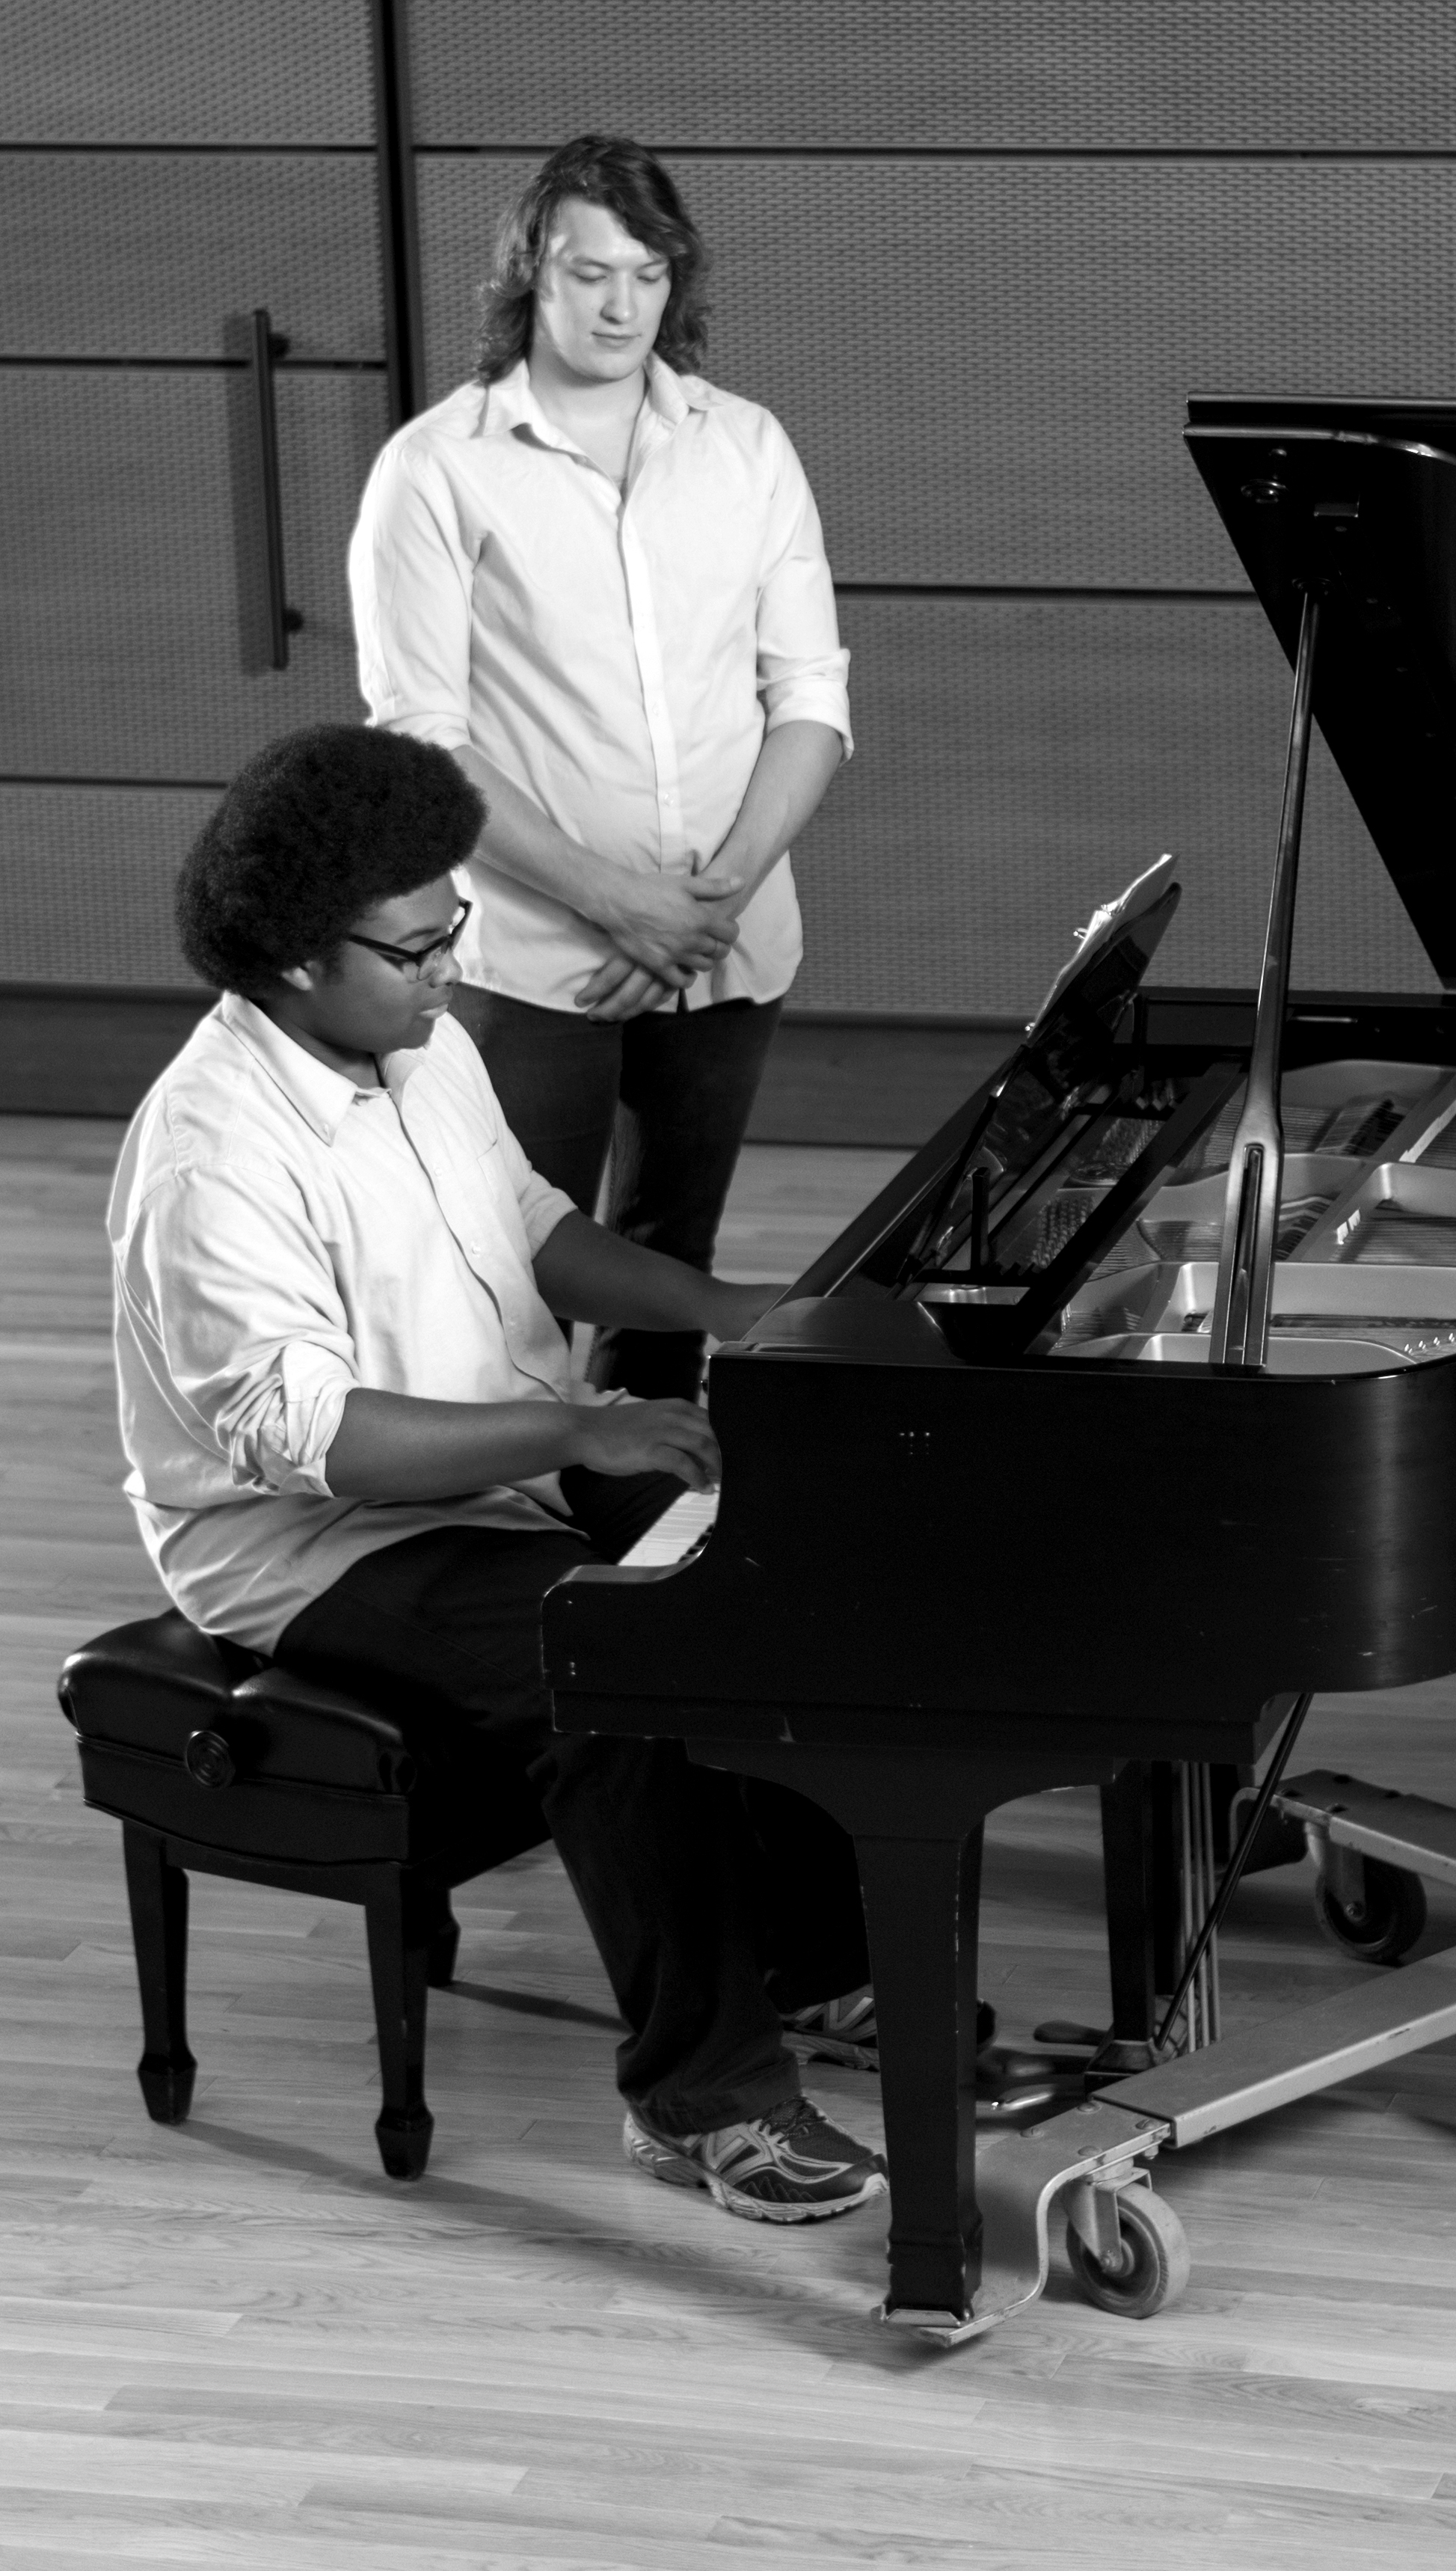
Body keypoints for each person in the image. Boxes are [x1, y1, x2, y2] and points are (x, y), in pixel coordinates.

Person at [108, 723, 884, 2219]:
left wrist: (723, 1306)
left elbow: (530, 1223)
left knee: (772, 1554)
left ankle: (813, 1969)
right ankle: (701, 2101)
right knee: (615, 1651)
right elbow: (308, 1438)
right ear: (293, 961)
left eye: (450, 929)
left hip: (498, 1455)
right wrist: (576, 1434)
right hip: (312, 1544)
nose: (448, 971)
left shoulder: (419, 1043)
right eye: (415, 950)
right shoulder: (211, 1153)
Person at [348, 135, 847, 1401]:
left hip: (725, 943)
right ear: (530, 274)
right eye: (589, 274)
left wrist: (709, 902)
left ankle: (641, 1495)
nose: (622, 307)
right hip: (531, 958)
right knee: (509, 1267)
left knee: (673, 1258)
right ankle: (498, 1498)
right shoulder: (436, 468)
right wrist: (619, 901)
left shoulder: (747, 446)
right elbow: (422, 742)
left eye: (648, 274)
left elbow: (809, 696)